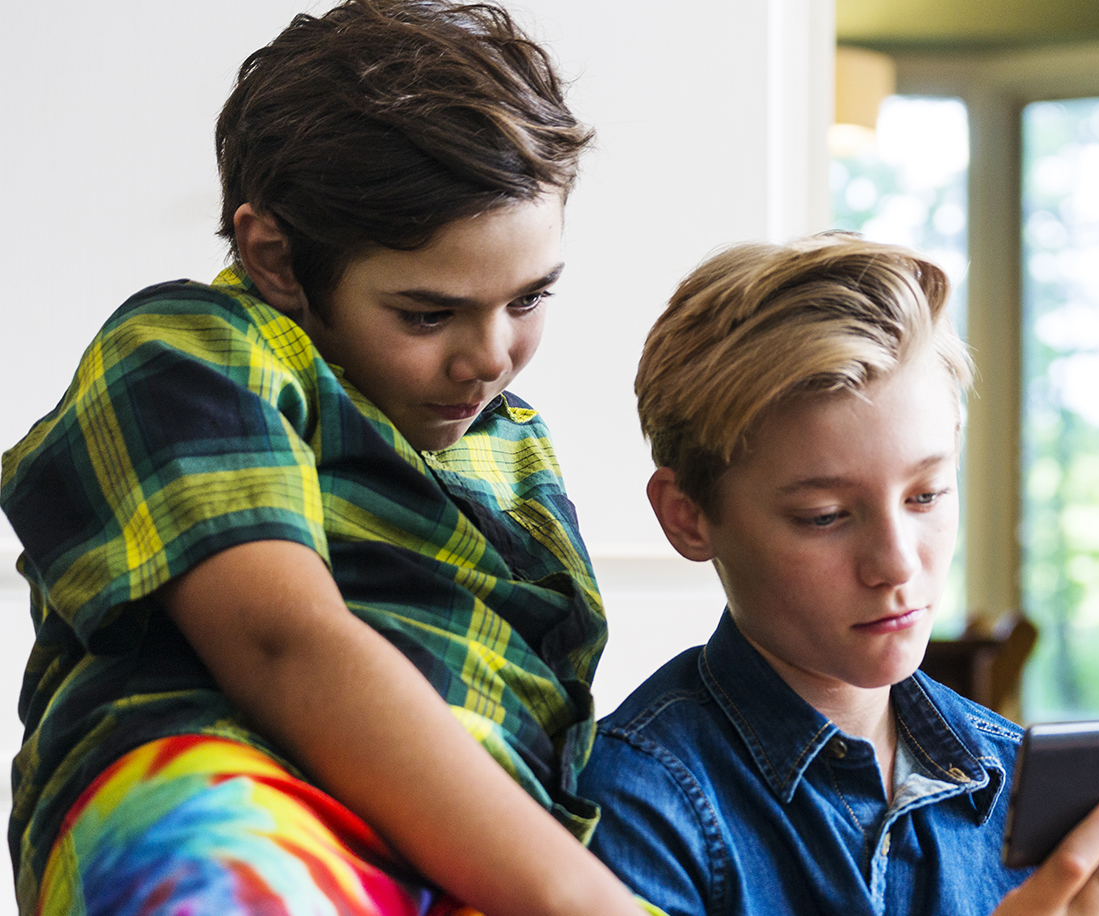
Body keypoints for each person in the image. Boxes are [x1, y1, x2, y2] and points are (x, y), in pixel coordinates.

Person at [0, 3, 654, 914]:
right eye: (428, 314)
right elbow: (281, 643)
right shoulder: (190, 346)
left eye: (530, 297)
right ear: (276, 258)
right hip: (222, 789)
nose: (489, 357)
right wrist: (581, 897)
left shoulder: (508, 442)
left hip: (456, 844)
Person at [579, 233, 1099, 916]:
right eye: (824, 515)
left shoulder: (1021, 786)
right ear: (689, 517)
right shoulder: (636, 804)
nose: (897, 563)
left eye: (925, 496)